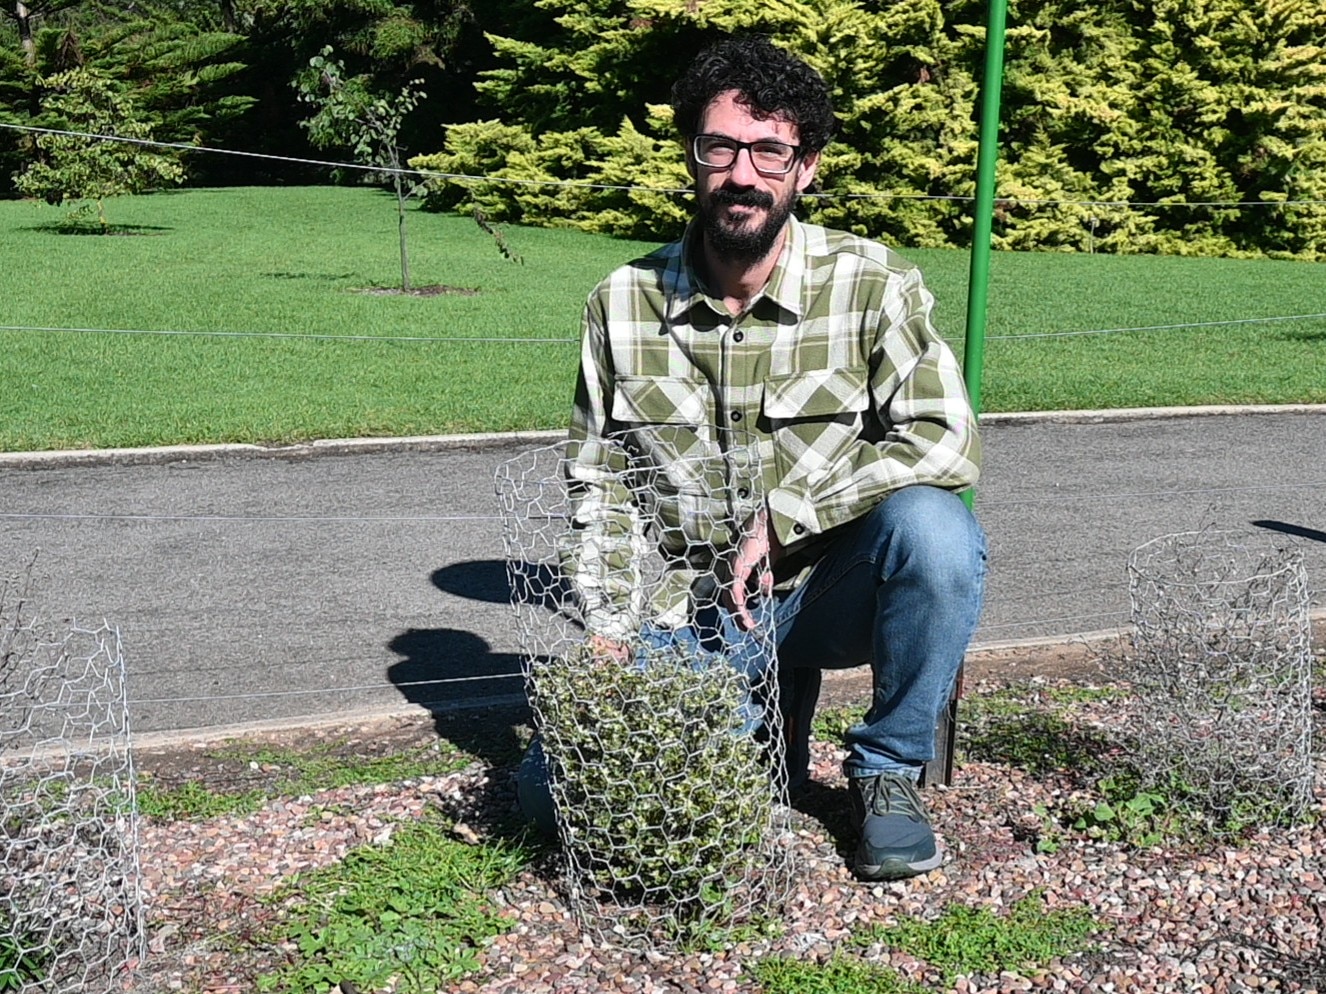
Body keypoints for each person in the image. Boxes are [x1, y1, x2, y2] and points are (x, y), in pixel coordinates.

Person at [522, 34, 987, 883]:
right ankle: (765, 732)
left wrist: (786, 518)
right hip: (693, 619)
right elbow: (600, 481)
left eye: (771, 149)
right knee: (554, 798)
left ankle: (885, 772)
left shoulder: (875, 283)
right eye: (721, 147)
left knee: (936, 531)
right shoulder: (620, 304)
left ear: (805, 167)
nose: (744, 173)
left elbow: (943, 437)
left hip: (822, 593)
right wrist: (611, 633)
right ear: (691, 157)